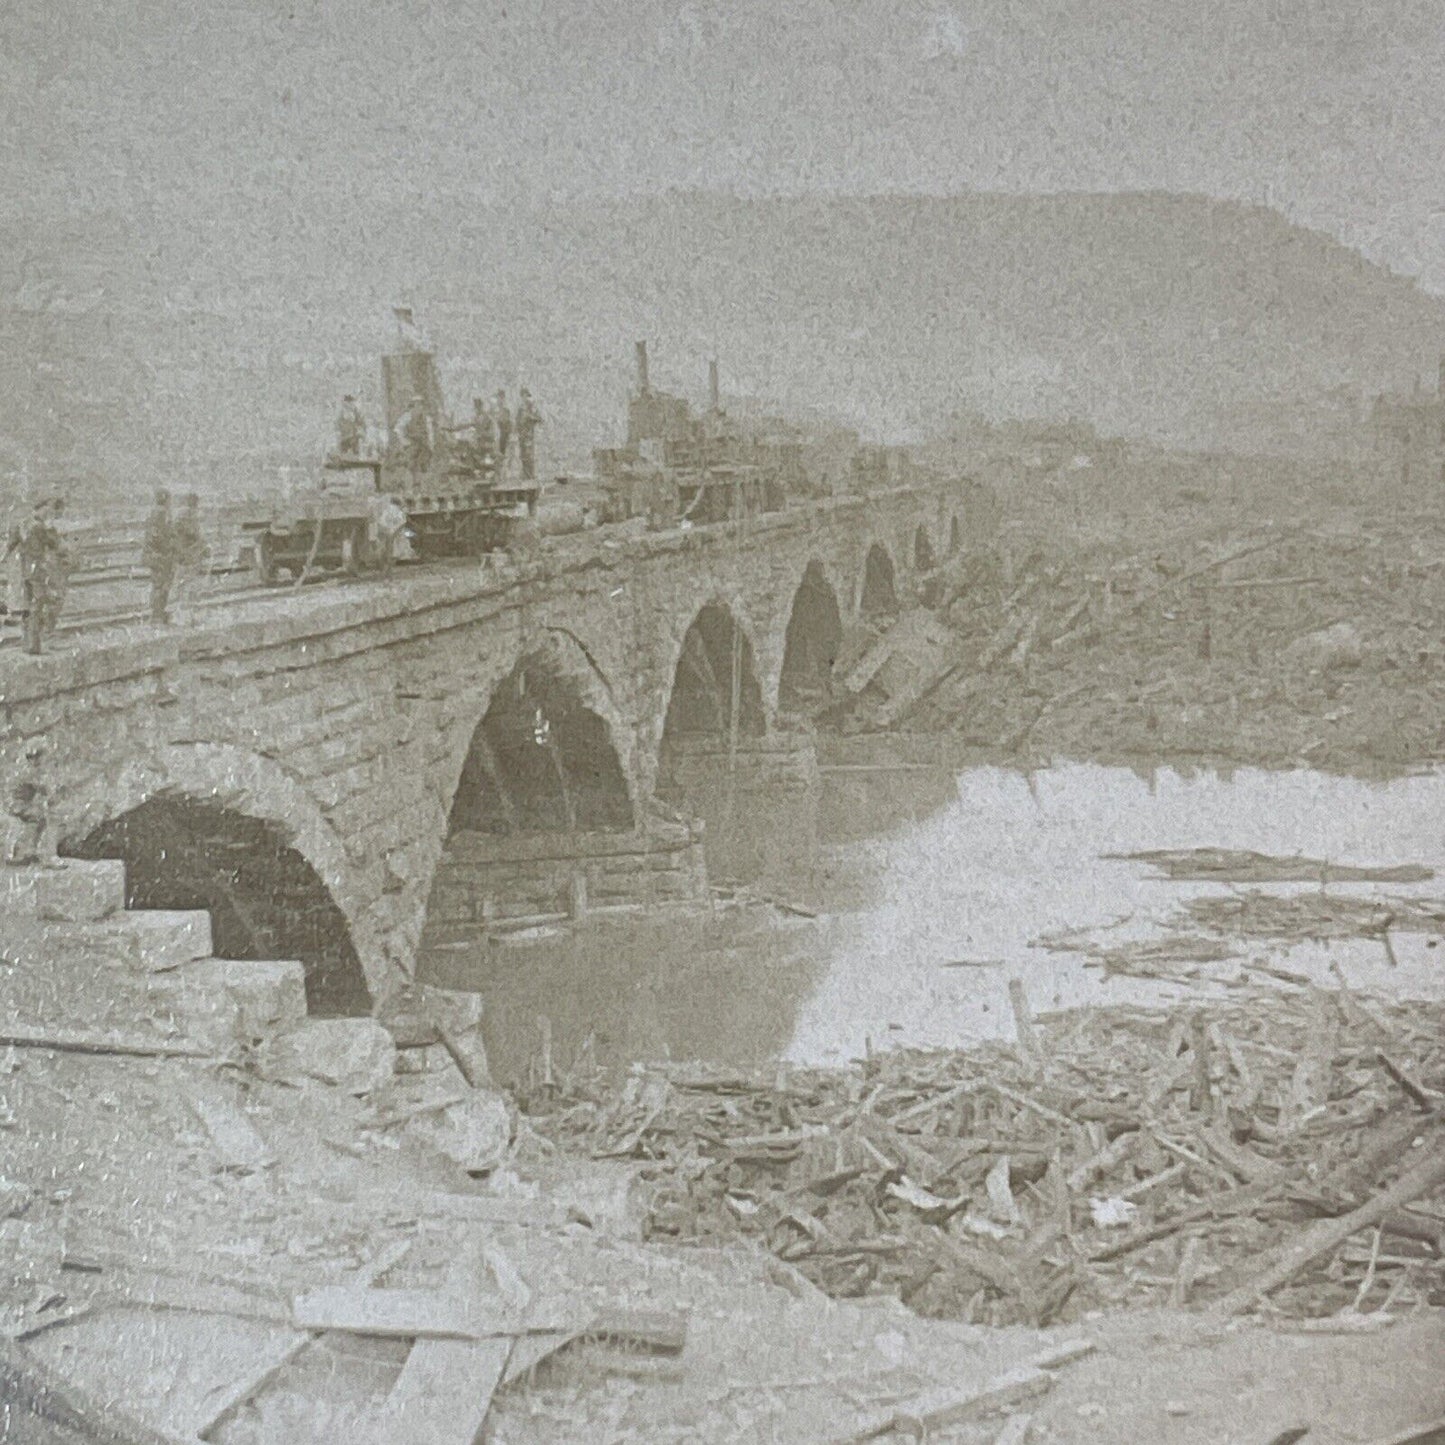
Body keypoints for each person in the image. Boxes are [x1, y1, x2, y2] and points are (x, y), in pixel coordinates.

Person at [4, 740, 59, 866]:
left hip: (21, 804)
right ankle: (47, 855)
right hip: (16, 805)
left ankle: (30, 851)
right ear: (35, 758)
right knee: (46, 818)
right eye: (43, 758)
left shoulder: (32, 771)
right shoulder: (30, 771)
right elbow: (44, 789)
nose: (45, 762)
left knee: (42, 818)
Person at [171, 493, 207, 624]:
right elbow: (194, 534)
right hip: (189, 556)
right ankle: (186, 617)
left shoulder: (180, 517)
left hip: (183, 556)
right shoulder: (189, 517)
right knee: (189, 586)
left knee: (182, 586)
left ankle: (181, 616)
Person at [142, 489, 177, 624]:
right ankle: (158, 615)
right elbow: (162, 537)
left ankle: (157, 614)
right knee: (162, 586)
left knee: (159, 586)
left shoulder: (155, 513)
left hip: (156, 556)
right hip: (161, 557)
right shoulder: (162, 514)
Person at [515, 388, 543, 481]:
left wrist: (530, 417)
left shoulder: (532, 407)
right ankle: (525, 474)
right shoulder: (520, 408)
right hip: (522, 435)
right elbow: (517, 421)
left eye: (525, 395)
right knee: (523, 456)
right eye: (522, 395)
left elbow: (539, 418)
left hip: (529, 435)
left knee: (529, 455)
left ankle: (530, 475)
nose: (524, 397)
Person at [470, 397, 497, 470]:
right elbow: (474, 432)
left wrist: (482, 434)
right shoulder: (476, 418)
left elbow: (492, 433)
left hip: (487, 443)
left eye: (478, 407)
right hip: (479, 443)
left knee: (486, 461)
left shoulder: (488, 418)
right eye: (475, 408)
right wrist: (474, 437)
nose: (477, 410)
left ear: (481, 407)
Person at [493, 390, 512, 467]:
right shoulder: (495, 409)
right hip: (496, 432)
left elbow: (507, 421)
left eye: (501, 397)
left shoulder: (506, 409)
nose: (499, 399)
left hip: (503, 432)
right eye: (498, 397)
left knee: (502, 451)